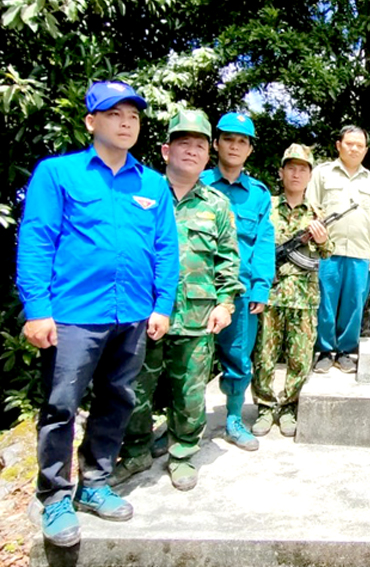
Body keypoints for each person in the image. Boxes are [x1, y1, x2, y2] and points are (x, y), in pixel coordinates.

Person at [16, 81, 179, 546]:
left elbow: (166, 248)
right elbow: (37, 240)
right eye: (114, 114)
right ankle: (54, 494)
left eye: (133, 115)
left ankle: (96, 482)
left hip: (131, 315)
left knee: (117, 399)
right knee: (60, 405)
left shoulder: (151, 183)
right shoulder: (58, 174)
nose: (126, 123)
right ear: (92, 121)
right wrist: (37, 310)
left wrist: (161, 305)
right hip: (72, 315)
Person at [113, 110, 243, 491]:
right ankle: (135, 451)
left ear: (208, 156)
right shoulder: (141, 193)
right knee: (135, 388)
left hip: (197, 315)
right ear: (166, 149)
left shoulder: (217, 204)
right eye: (183, 143)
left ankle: (183, 452)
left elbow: (228, 259)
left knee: (189, 391)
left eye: (199, 145)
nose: (191, 151)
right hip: (144, 312)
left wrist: (225, 303)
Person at [200, 113, 275, 452]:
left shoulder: (258, 193)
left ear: (249, 149)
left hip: (241, 291)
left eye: (242, 141)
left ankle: (232, 418)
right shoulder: (196, 182)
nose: (235, 146)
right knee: (187, 359)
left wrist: (261, 285)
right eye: (229, 139)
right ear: (216, 144)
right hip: (196, 289)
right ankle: (180, 425)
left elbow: (263, 241)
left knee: (238, 357)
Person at [252, 144, 332, 437]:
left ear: (310, 175)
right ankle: (263, 406)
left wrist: (322, 240)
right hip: (270, 295)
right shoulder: (267, 207)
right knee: (264, 355)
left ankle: (288, 408)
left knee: (300, 357)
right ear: (281, 172)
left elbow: (327, 253)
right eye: (291, 167)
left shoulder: (317, 213)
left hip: (304, 296)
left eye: (303, 169)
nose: (296, 174)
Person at [306, 126, 370, 374]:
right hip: (327, 251)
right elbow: (310, 207)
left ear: (365, 150)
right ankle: (325, 351)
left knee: (354, 303)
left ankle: (345, 351)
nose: (354, 148)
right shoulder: (322, 173)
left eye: (359, 145)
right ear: (339, 145)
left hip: (361, 253)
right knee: (325, 302)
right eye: (349, 143)